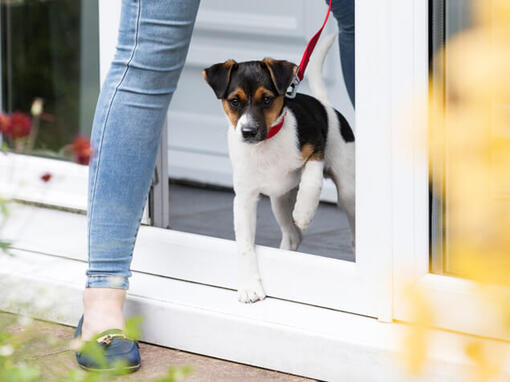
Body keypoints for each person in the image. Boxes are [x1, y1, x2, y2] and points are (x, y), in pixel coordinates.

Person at [74, 0, 355, 371]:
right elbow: (245, 198)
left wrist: (313, 181)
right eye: (236, 106)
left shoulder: (297, 118)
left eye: (264, 103)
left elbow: (315, 144)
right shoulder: (240, 129)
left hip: (321, 146)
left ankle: (382, 252)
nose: (248, 122)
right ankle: (104, 294)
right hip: (272, 173)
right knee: (147, 54)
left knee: (360, 20)